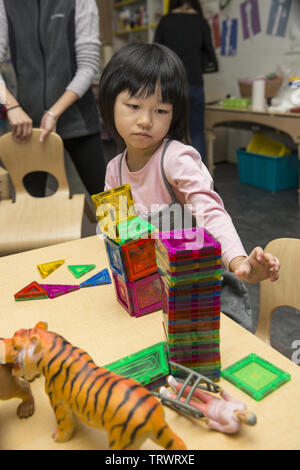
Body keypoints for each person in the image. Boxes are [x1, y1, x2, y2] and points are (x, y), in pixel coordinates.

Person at [99, 43, 280, 298]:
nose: (145, 120)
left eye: (160, 110)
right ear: (110, 103)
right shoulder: (113, 169)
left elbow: (210, 211)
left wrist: (240, 263)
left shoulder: (175, 158)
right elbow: (115, 230)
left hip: (191, 284)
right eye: (134, 106)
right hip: (146, 285)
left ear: (174, 115)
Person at [0, 0, 106, 197]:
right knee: (30, 209)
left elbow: (88, 66)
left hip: (80, 122)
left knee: (119, 211)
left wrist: (53, 112)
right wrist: (12, 107)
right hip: (29, 128)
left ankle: (130, 230)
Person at [154, 0, 218, 163]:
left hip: (170, 85)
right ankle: (200, 178)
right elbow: (209, 54)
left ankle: (169, 175)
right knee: (197, 132)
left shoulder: (166, 21)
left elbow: (156, 53)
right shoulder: (200, 22)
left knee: (169, 132)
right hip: (195, 83)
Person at [159, 375, 257, 434]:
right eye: (245, 413)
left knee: (190, 403)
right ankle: (177, 386)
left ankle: (169, 396)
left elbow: (221, 427)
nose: (242, 413)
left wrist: (209, 422)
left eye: (243, 417)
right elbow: (229, 398)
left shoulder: (233, 426)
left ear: (243, 422)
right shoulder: (241, 405)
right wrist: (223, 392)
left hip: (208, 411)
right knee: (197, 392)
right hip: (214, 400)